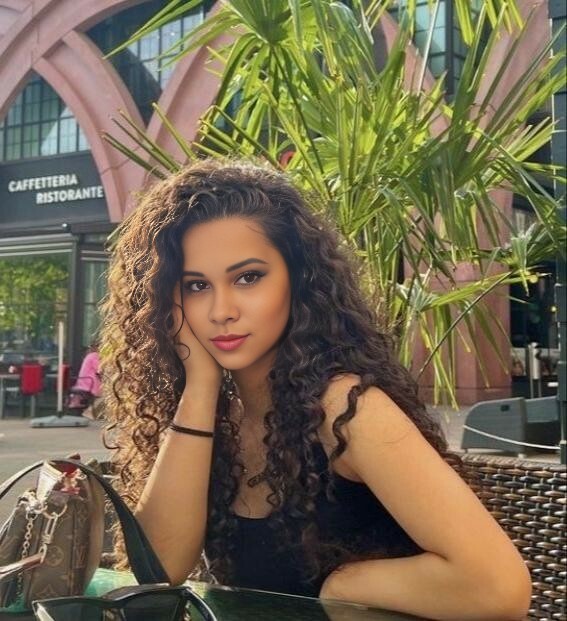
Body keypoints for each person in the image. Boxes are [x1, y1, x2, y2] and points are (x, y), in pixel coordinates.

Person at [101, 160, 531, 620]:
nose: (221, 310)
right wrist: (201, 388)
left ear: (299, 278)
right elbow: (159, 572)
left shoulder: (345, 409)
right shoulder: (221, 416)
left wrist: (344, 587)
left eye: (248, 277)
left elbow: (500, 589)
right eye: (196, 286)